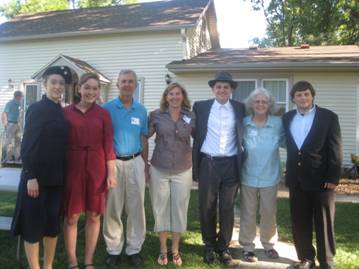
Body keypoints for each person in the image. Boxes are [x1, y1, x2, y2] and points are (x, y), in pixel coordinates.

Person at [11, 66, 72, 269]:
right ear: (45, 85)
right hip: (36, 180)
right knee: (33, 227)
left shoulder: (60, 111)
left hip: (56, 179)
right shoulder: (37, 108)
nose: (57, 86)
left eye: (61, 83)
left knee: (51, 227)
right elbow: (27, 145)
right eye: (53, 82)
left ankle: (48, 266)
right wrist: (31, 176)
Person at [282, 81, 342, 269]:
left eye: (306, 94)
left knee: (324, 222)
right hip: (296, 180)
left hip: (322, 180)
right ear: (293, 98)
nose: (303, 98)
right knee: (300, 222)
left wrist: (333, 178)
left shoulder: (328, 117)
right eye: (299, 95)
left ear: (312, 96)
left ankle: (326, 261)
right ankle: (306, 258)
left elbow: (335, 148)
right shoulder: (287, 117)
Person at [63, 73, 116, 269]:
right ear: (79, 88)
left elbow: (108, 146)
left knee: (94, 215)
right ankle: (72, 261)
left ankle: (88, 261)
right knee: (72, 216)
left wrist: (111, 174)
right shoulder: (66, 113)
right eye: (87, 87)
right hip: (73, 167)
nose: (91, 92)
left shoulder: (103, 114)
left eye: (95, 88)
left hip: (97, 167)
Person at [192, 71, 245, 265]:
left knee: (227, 207)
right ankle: (208, 245)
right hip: (208, 163)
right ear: (213, 89)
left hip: (231, 164)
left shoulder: (240, 108)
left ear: (231, 90)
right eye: (219, 87)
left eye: (226, 87)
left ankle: (223, 247)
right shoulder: (201, 107)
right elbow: (192, 130)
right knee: (207, 206)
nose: (222, 90)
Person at [102, 69, 149, 268]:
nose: (127, 84)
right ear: (117, 84)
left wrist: (145, 165)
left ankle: (133, 249)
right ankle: (113, 249)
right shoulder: (107, 108)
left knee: (136, 207)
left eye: (131, 81)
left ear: (136, 85)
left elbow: (144, 138)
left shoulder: (141, 110)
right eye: (124, 81)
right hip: (113, 163)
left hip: (136, 161)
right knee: (113, 206)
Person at [147, 82, 195, 266]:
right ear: (166, 97)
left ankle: (175, 250)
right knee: (161, 209)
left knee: (179, 210)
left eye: (178, 94)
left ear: (183, 97)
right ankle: (162, 250)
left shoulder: (191, 116)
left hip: (183, 169)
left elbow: (201, 137)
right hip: (159, 168)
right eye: (171, 94)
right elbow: (145, 134)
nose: (174, 97)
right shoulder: (156, 115)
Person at [239, 88, 285, 262]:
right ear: (251, 104)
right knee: (248, 212)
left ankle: (268, 245)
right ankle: (247, 247)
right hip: (247, 175)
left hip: (270, 175)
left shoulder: (278, 123)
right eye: (257, 101)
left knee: (268, 212)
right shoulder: (244, 122)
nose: (260, 104)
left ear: (269, 104)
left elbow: (288, 142)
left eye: (264, 102)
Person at [1, 90, 23, 163]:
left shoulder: (19, 104)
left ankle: (17, 158)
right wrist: (5, 124)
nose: (22, 98)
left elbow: (20, 114)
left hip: (18, 124)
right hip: (11, 124)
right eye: (21, 96)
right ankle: (7, 158)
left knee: (18, 141)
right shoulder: (10, 103)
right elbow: (4, 114)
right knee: (8, 141)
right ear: (18, 96)